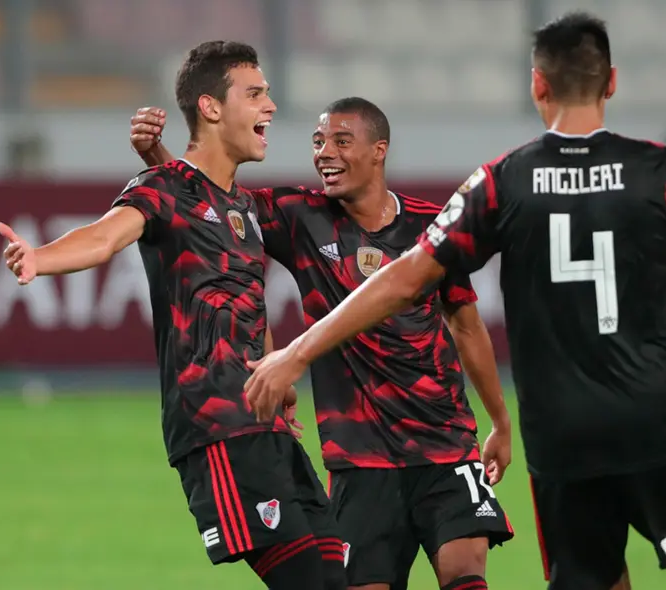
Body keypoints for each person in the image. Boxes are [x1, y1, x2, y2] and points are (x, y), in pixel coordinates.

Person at [238, 11, 666, 590]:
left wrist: (295, 352)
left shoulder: (501, 182)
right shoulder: (660, 168)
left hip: (563, 437)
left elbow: (403, 280)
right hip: (660, 420)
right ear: (612, 82)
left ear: (537, 83)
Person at [0, 41, 344, 590]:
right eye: (255, 94)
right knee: (307, 581)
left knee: (337, 577)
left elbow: (243, 295)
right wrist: (39, 258)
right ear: (210, 108)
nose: (270, 107)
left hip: (267, 426)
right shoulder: (163, 189)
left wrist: (277, 376)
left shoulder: (241, 208)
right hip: (217, 428)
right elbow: (107, 235)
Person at [128, 96, 513, 590]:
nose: (324, 152)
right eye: (318, 141)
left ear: (379, 151)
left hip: (445, 447)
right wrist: (158, 156)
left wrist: (500, 422)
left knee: (466, 578)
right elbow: (211, 211)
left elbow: (465, 326)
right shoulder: (300, 216)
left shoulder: (429, 227)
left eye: (341, 141)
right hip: (358, 461)